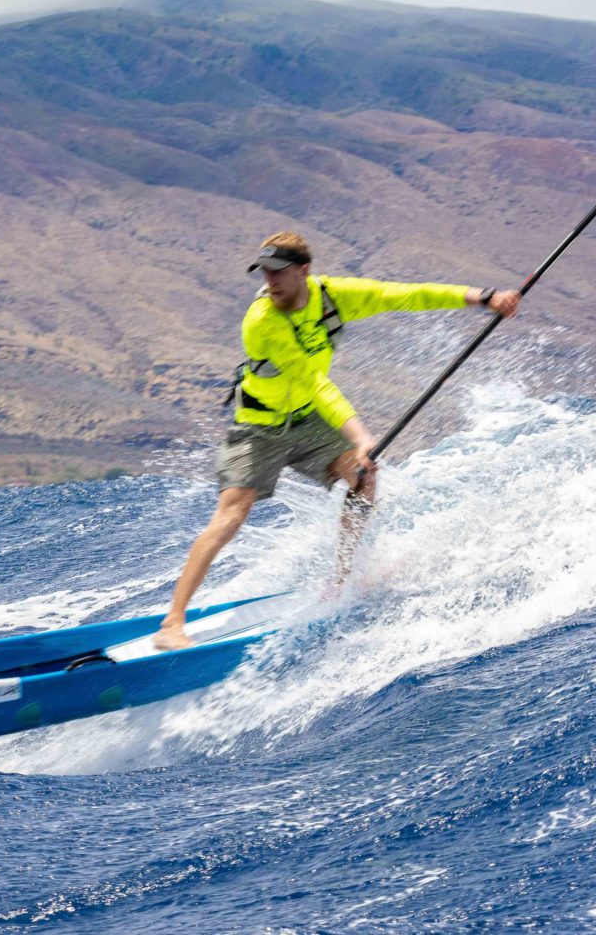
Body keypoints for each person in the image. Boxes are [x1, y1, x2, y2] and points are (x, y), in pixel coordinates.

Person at [153, 232, 521, 650]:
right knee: (232, 515)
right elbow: (313, 383)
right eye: (264, 272)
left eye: (279, 272)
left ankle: (342, 580)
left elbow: (403, 294)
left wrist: (484, 297)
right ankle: (173, 622)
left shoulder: (333, 295)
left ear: (303, 271)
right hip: (258, 427)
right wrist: (361, 436)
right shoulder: (261, 321)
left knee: (363, 477)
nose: (270, 282)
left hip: (307, 423)